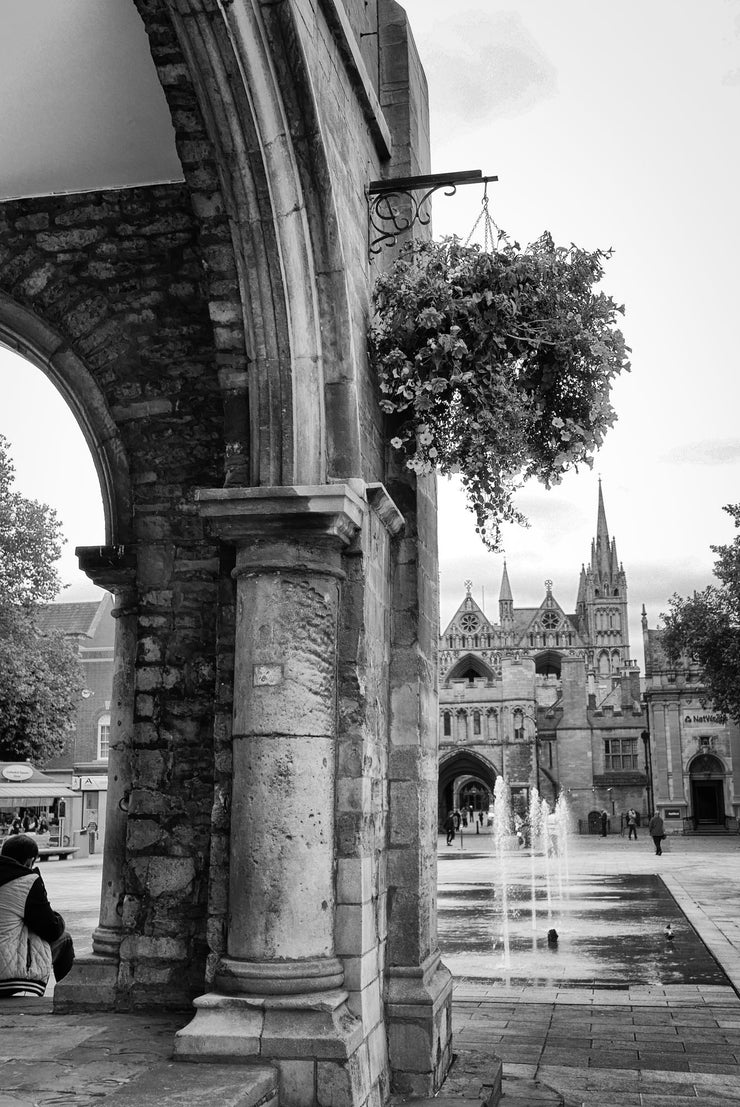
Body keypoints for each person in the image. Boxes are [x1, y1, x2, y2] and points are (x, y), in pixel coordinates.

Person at [0, 834, 75, 996]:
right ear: (29, 861)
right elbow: (50, 929)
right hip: (5, 976)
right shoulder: (26, 881)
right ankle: (69, 997)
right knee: (64, 939)